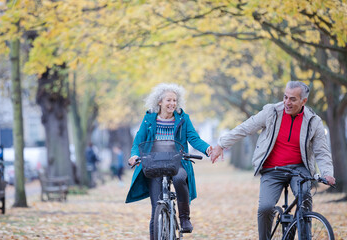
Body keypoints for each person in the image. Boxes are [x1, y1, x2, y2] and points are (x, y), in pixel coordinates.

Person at [210, 81, 335, 240]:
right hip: (272, 169)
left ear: (303, 101)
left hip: (299, 169)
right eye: (285, 97)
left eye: (293, 99)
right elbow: (246, 127)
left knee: (304, 198)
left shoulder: (313, 121)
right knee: (265, 208)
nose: (287, 102)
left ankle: (305, 236)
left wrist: (327, 173)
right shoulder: (272, 112)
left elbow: (322, 151)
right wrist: (221, 144)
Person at [126, 83, 212, 239]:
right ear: (159, 102)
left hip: (176, 163)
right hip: (154, 164)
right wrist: (134, 155)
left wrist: (207, 149)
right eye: (168, 100)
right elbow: (139, 140)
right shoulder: (149, 118)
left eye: (174, 100)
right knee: (155, 209)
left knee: (180, 178)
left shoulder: (183, 118)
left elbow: (194, 138)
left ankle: (184, 218)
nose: (172, 103)